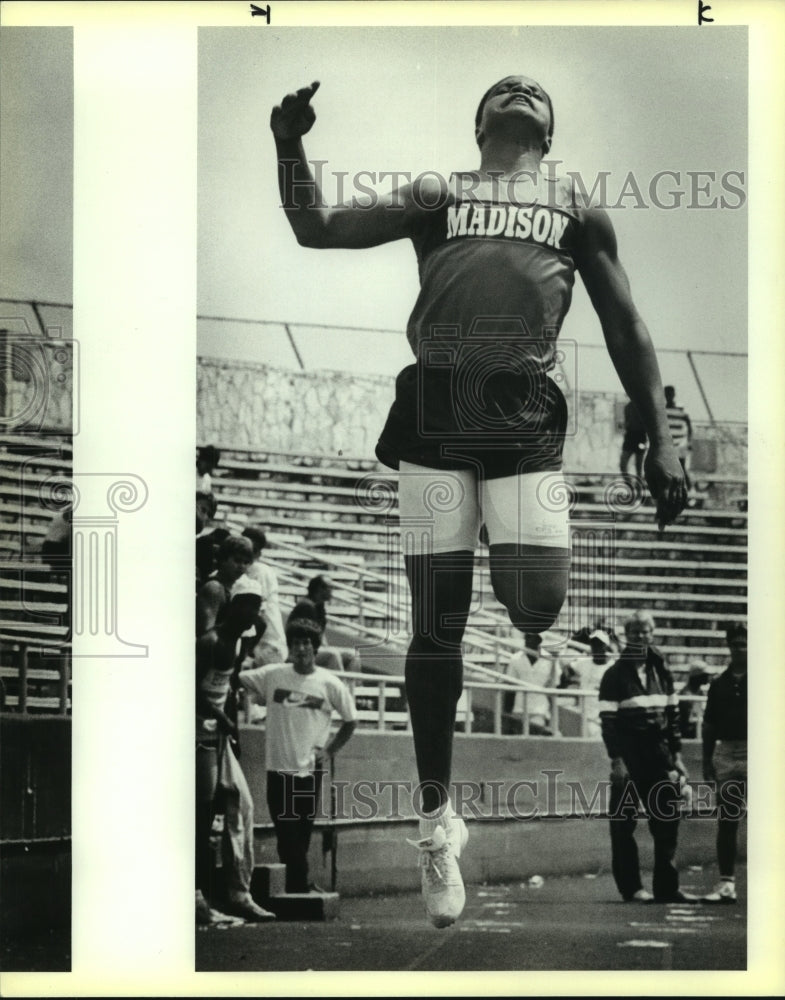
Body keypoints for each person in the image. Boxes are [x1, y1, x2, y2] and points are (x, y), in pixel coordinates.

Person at [272, 75, 687, 927]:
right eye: (505, 88)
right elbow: (315, 228)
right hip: (434, 407)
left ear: (547, 132)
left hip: (522, 408)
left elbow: (626, 327)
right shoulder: (439, 192)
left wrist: (662, 435)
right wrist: (289, 143)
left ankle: (504, 532)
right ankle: (436, 823)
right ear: (480, 124)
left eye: (533, 90)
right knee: (436, 624)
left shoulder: (576, 207)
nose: (520, 89)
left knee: (534, 600)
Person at [239, 618, 357, 894]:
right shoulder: (273, 675)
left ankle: (294, 889)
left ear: (315, 647)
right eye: (295, 643)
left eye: (306, 643)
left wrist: (329, 750)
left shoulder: (329, 683)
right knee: (286, 832)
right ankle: (299, 887)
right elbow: (238, 678)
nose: (301, 648)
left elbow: (351, 720)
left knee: (301, 832)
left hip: (309, 770)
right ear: (290, 647)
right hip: (278, 769)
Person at [598, 611, 696, 903]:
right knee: (623, 824)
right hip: (629, 755)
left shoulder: (661, 671)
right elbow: (608, 722)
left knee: (667, 821)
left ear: (652, 634)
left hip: (659, 755)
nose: (640, 637)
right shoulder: (614, 675)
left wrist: (676, 755)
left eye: (645, 632)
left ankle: (667, 888)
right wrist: (617, 760)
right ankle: (631, 888)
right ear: (627, 635)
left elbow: (673, 717)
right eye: (635, 632)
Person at [195, 576, 276, 924]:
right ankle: (197, 896)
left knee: (242, 805)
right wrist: (222, 720)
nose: (256, 615)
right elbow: (188, 690)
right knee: (202, 816)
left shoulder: (237, 643)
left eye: (259, 607)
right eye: (251, 606)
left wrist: (232, 731)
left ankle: (238, 893)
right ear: (236, 605)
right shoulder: (209, 642)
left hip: (218, 734)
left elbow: (227, 689)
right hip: (197, 733)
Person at [701, 622, 747, 904]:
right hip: (727, 751)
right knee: (728, 818)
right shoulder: (719, 683)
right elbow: (709, 725)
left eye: (744, 644)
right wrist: (707, 760)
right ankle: (727, 883)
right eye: (735, 644)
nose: (740, 649)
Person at [287, 575, 360, 672]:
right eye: (329, 587)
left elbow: (320, 633)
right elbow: (303, 636)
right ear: (319, 589)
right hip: (301, 650)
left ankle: (353, 682)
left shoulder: (319, 607)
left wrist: (326, 647)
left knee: (353, 655)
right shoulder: (305, 606)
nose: (332, 591)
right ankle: (339, 682)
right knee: (333, 655)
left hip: (315, 648)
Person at [242, 526, 288, 665]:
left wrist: (246, 651)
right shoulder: (248, 570)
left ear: (258, 552)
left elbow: (258, 617)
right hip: (265, 645)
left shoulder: (259, 570)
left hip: (268, 646)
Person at [196, 535, 254, 636]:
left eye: (246, 562)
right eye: (237, 560)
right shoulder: (214, 588)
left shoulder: (236, 588)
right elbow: (206, 635)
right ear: (223, 559)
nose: (242, 566)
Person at [502, 634, 558, 735]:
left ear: (539, 640)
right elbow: (510, 687)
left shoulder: (550, 660)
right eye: (527, 637)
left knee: (536, 736)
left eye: (533, 637)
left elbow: (553, 688)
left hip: (540, 709)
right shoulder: (515, 658)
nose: (529, 640)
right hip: (519, 709)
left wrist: (553, 718)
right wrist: (506, 712)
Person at [664, 386, 692, 491]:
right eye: (667, 394)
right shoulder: (662, 410)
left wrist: (689, 441)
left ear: (673, 395)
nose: (669, 396)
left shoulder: (680, 410)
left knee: (681, 466)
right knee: (667, 467)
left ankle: (687, 487)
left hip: (680, 443)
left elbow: (689, 425)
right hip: (667, 443)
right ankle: (673, 487)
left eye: (670, 394)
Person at [678, 660, 710, 740]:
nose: (708, 677)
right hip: (690, 735)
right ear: (696, 676)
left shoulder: (700, 692)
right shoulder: (686, 695)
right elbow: (690, 720)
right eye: (704, 675)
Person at [619, 398, 648, 483]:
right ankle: (629, 482)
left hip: (640, 437)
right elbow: (627, 422)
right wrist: (624, 425)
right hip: (630, 437)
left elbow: (647, 423)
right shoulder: (628, 407)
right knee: (623, 463)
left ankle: (639, 485)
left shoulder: (644, 407)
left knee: (639, 465)